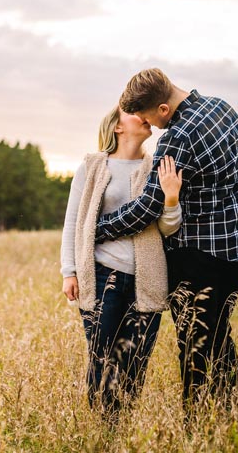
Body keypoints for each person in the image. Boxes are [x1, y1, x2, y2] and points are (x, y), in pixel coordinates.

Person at [94, 68, 238, 423]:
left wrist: (100, 228)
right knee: (218, 336)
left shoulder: (177, 137)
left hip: (201, 259)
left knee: (195, 350)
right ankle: (236, 414)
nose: (151, 127)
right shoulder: (223, 107)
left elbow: (148, 207)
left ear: (164, 109)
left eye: (150, 118)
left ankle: (196, 427)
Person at [60, 104, 183, 420]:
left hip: (147, 279)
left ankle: (121, 428)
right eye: (133, 112)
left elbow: (168, 228)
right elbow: (74, 222)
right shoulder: (92, 167)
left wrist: (171, 199)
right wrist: (69, 271)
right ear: (117, 126)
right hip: (101, 275)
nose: (145, 115)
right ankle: (100, 428)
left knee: (135, 362)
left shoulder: (156, 166)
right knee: (101, 358)